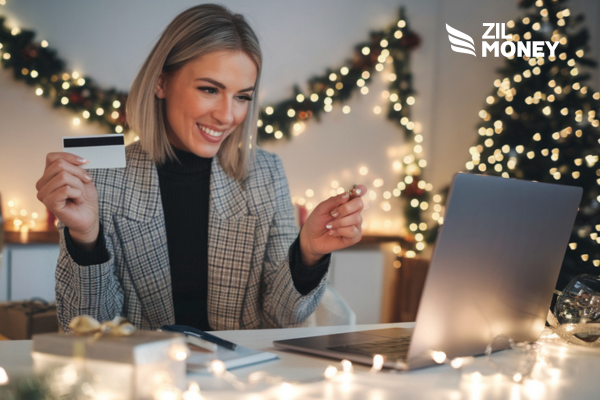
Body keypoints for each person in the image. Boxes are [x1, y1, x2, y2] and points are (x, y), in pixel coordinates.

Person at [36, 4, 366, 332]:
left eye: (242, 97)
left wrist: (307, 254)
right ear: (161, 83)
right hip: (144, 376)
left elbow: (283, 319)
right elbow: (85, 327)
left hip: (239, 378)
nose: (227, 115)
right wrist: (85, 238)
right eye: (210, 89)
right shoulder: (102, 179)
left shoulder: (265, 173)